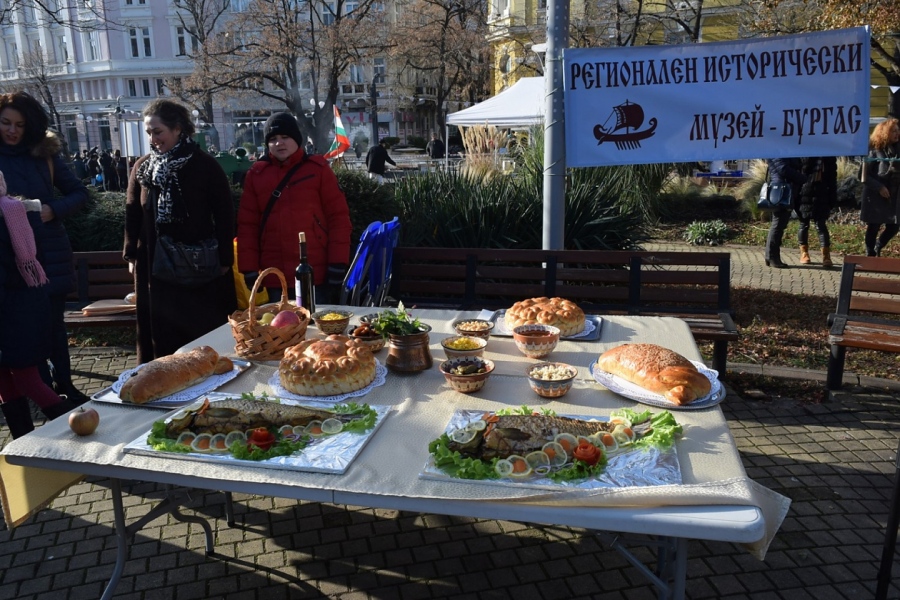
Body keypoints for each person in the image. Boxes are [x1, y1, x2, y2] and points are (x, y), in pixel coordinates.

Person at [124, 99, 238, 364]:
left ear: (177, 129)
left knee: (200, 336)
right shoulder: (143, 168)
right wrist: (131, 255)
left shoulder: (205, 165)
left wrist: (224, 259)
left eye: (158, 131)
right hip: (155, 266)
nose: (153, 139)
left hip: (196, 269)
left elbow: (224, 214)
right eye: (149, 133)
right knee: (162, 340)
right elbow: (132, 211)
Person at [0, 91, 90, 403]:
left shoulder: (44, 154)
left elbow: (80, 193)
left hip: (49, 254)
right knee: (25, 331)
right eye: (6, 123)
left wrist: (53, 209)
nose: (12, 130)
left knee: (53, 327)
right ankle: (38, 393)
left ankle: (65, 387)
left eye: (20, 124)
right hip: (10, 261)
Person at [237, 112, 352, 304]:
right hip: (275, 274)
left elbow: (338, 217)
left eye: (285, 137)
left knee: (318, 329)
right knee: (280, 330)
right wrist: (248, 268)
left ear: (296, 139)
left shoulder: (318, 169)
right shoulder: (256, 175)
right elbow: (247, 225)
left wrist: (338, 262)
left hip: (315, 271)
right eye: (272, 139)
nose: (279, 143)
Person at [0, 170, 76, 438]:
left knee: (27, 379)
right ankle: (24, 441)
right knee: (8, 380)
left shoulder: (7, 216)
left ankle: (76, 428)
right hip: (24, 310)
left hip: (13, 315)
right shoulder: (18, 210)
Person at [860, 118, 900, 256]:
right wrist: (879, 187)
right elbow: (863, 175)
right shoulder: (874, 150)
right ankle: (870, 253)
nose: (897, 133)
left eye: (897, 130)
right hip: (876, 194)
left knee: (894, 226)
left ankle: (879, 245)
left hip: (894, 195)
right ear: (884, 132)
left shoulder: (898, 149)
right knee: (874, 226)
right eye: (893, 131)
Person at [764, 157, 806, 268]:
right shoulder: (777, 151)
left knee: (779, 225)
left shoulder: (780, 151)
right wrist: (802, 178)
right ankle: (772, 257)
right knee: (778, 225)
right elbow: (783, 169)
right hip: (781, 191)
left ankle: (771, 256)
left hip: (783, 190)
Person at [796, 156, 837, 267]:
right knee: (804, 224)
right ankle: (804, 252)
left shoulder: (829, 157)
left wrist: (832, 198)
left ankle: (826, 255)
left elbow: (832, 178)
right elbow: (802, 170)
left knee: (821, 225)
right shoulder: (805, 154)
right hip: (804, 191)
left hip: (822, 193)